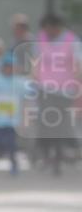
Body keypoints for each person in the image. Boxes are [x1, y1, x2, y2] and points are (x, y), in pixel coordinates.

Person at [31, 13, 81, 176]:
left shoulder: (71, 40)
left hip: (65, 89)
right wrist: (34, 79)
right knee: (46, 121)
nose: (48, 32)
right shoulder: (41, 39)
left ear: (57, 27)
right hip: (45, 87)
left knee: (62, 122)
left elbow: (78, 63)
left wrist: (78, 81)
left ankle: (61, 155)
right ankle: (46, 153)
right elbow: (35, 61)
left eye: (50, 28)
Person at [0, 52, 30, 176]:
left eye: (12, 67)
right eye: (7, 66)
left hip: (12, 119)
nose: (9, 69)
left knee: (11, 142)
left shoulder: (19, 81)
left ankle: (14, 164)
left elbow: (29, 93)